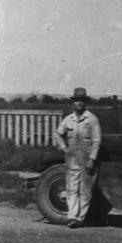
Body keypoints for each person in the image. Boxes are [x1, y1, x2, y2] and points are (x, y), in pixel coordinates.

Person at [53, 87, 102, 228]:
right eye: (76, 101)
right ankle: (73, 217)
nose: (79, 103)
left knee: (86, 190)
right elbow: (58, 134)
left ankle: (81, 218)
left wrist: (92, 159)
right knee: (72, 188)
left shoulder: (92, 119)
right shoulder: (68, 119)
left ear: (85, 102)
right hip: (72, 158)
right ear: (73, 103)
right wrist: (64, 148)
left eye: (81, 100)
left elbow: (97, 140)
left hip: (87, 159)